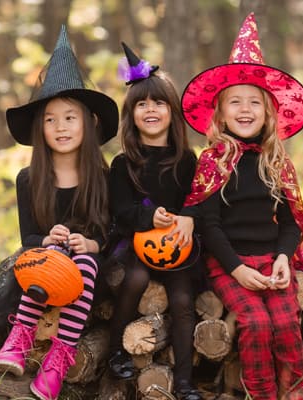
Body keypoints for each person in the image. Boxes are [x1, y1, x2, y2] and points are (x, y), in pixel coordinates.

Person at [181, 14, 303, 400]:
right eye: (235, 102)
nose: (245, 110)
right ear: (221, 112)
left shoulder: (275, 162)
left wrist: (283, 258)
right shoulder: (213, 161)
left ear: (267, 113)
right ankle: (261, 393)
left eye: (254, 103)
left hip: (271, 259)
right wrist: (237, 268)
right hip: (229, 261)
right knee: (256, 324)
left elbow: (291, 222)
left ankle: (295, 392)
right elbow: (207, 224)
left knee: (286, 324)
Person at [0, 26, 119, 400]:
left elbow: (113, 229)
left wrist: (93, 243)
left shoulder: (103, 176)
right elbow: (27, 238)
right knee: (47, 257)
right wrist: (47, 240)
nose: (60, 127)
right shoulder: (28, 179)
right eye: (50, 119)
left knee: (83, 263)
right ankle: (20, 338)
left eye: (70, 117)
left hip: (87, 278)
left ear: (89, 123)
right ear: (40, 128)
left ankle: (59, 358)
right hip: (40, 272)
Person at [106, 42, 202, 400]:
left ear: (171, 111)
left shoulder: (186, 160)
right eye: (141, 104)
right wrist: (149, 216)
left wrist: (183, 220)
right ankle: (116, 350)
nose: (150, 109)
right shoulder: (123, 164)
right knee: (135, 277)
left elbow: (197, 203)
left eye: (158, 103)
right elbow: (121, 211)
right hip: (136, 242)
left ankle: (185, 380)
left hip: (179, 247)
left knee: (181, 299)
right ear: (130, 114)